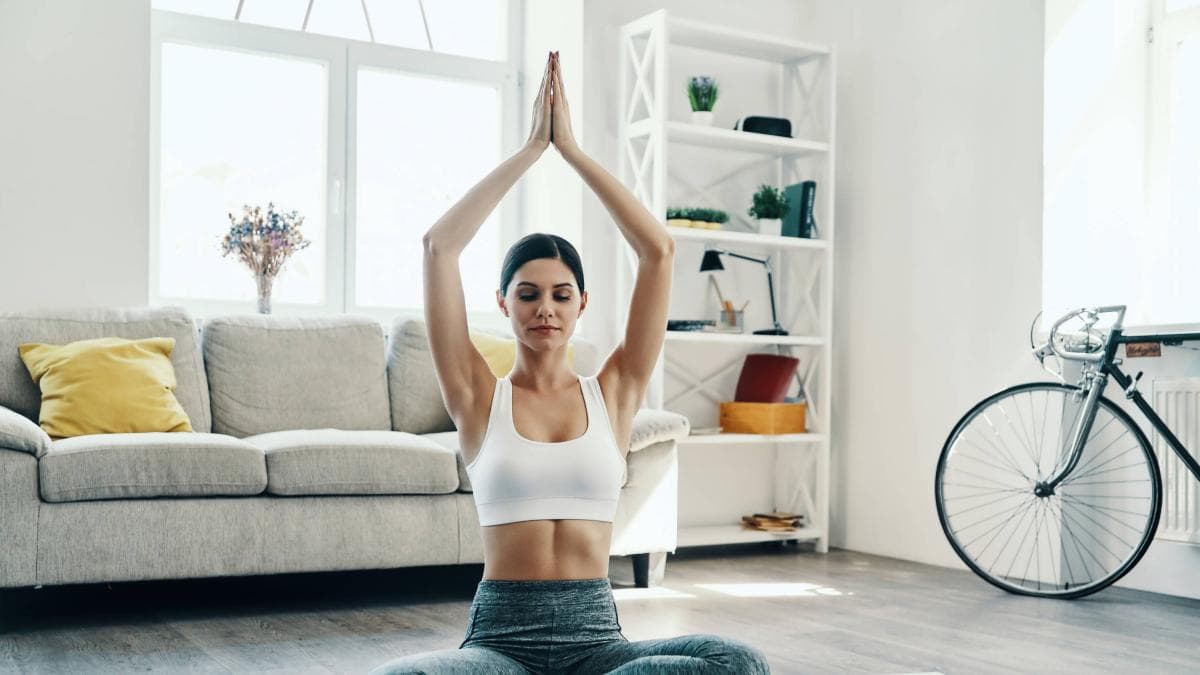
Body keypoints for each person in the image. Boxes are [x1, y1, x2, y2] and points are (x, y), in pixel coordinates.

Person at [369, 51, 771, 675]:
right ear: (503, 302)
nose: (545, 310)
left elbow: (659, 251)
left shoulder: (614, 391)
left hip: (598, 643)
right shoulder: (478, 396)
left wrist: (574, 151)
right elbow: (439, 247)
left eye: (561, 296)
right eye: (527, 295)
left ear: (582, 304)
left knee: (735, 662)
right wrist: (533, 149)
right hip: (501, 643)